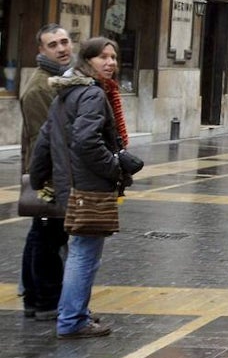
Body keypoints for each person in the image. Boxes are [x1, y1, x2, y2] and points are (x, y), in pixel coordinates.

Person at [29, 36, 143, 339]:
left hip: (71, 187)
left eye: (114, 57)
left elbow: (44, 140)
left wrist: (38, 176)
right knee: (84, 254)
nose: (110, 63)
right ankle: (73, 319)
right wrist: (115, 168)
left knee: (78, 251)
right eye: (102, 57)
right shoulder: (92, 94)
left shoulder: (66, 94)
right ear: (87, 61)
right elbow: (86, 141)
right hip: (89, 188)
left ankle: (73, 314)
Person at [19, 24, 74, 321]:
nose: (62, 48)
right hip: (48, 177)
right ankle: (45, 300)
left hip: (53, 174)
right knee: (46, 237)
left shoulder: (60, 80)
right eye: (53, 44)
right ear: (41, 51)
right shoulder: (41, 87)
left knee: (42, 234)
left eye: (64, 41)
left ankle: (34, 298)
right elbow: (49, 140)